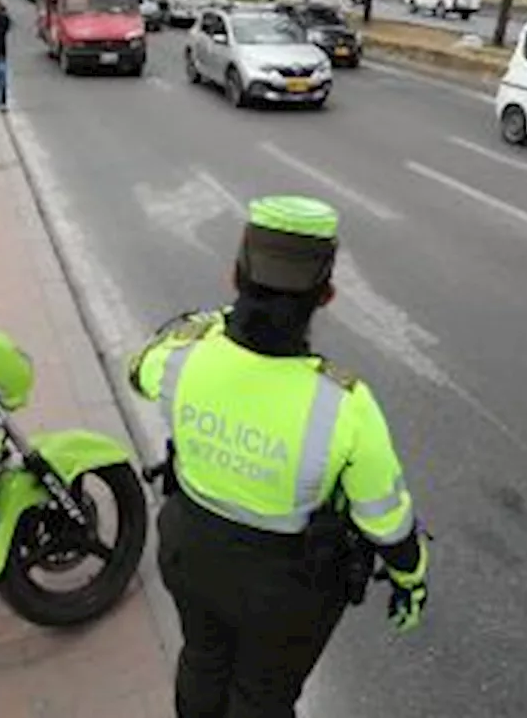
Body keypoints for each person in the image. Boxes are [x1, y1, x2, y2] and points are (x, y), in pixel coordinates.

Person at [126, 195, 430, 718]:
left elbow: (138, 370)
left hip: (188, 552)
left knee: (202, 659)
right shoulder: (345, 405)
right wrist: (411, 578)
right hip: (287, 590)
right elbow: (387, 521)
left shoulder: (182, 355)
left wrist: (221, 320)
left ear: (233, 276)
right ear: (327, 294)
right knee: (262, 696)